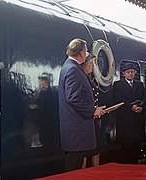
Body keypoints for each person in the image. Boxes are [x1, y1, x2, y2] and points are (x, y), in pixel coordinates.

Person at [58, 38, 106, 172]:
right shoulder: (73, 70)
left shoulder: (68, 67)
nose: (86, 54)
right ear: (81, 53)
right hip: (77, 133)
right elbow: (73, 98)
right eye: (85, 51)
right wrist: (92, 111)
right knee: (75, 170)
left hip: (75, 133)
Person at [113, 62, 146, 164]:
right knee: (125, 148)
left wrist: (141, 107)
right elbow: (117, 100)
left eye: (132, 72)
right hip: (125, 122)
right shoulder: (118, 85)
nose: (130, 74)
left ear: (135, 72)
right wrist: (130, 107)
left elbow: (144, 98)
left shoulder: (140, 85)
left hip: (137, 122)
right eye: (128, 72)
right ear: (124, 74)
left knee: (136, 146)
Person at [81, 53, 102, 168]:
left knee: (96, 150)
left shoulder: (88, 79)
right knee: (84, 152)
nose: (93, 66)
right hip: (86, 119)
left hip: (93, 119)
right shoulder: (81, 78)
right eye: (91, 63)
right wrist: (92, 111)